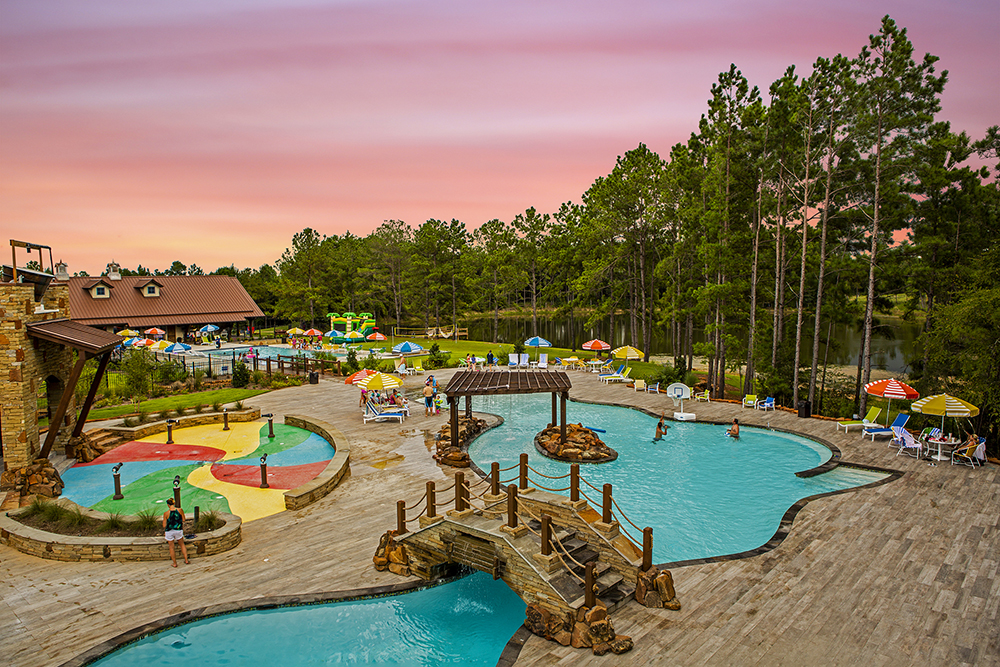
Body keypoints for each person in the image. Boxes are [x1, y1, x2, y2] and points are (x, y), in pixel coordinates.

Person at [162, 498, 189, 567]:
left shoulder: (166, 513)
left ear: (168, 505)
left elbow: (164, 525)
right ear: (174, 503)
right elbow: (183, 519)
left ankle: (174, 563)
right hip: (178, 530)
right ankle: (186, 560)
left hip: (169, 531)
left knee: (171, 547)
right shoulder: (180, 510)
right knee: (182, 544)